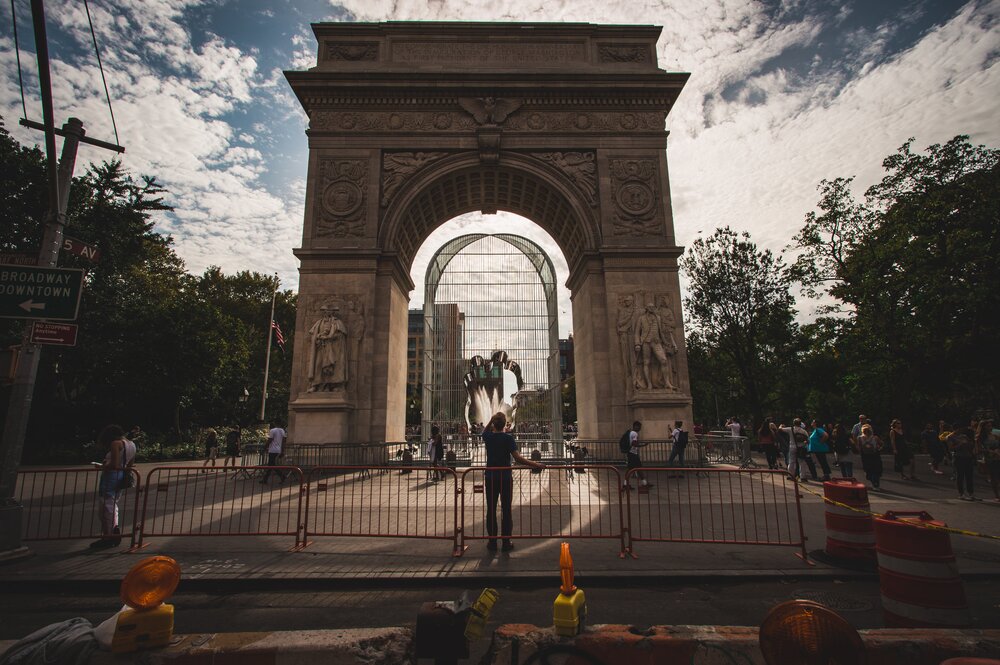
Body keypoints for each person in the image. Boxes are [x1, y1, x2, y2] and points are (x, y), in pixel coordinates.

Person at [481, 412, 543, 552]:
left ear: (493, 424)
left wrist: (490, 419)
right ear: (504, 424)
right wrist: (535, 464)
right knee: (506, 510)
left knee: (491, 509)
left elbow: (483, 432)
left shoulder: (488, 437)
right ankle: (506, 542)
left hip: (490, 478)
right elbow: (518, 458)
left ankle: (492, 542)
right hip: (505, 478)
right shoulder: (508, 439)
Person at [91, 424, 133, 549]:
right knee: (112, 504)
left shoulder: (116, 444)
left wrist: (102, 466)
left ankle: (108, 536)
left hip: (111, 477)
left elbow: (114, 464)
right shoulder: (132, 445)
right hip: (121, 476)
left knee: (106, 506)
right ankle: (113, 530)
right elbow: (129, 464)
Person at [307, 305, 349, 392]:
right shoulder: (319, 323)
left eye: (330, 310)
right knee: (318, 365)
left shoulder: (337, 322)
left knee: (334, 368)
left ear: (333, 312)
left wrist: (330, 337)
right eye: (325, 310)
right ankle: (316, 385)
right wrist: (318, 338)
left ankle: (334, 385)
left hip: (334, 350)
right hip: (321, 348)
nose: (327, 312)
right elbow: (313, 335)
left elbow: (341, 335)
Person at [947, 422, 979, 500]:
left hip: (968, 457)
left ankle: (971, 493)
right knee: (960, 476)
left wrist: (971, 443)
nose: (959, 431)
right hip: (958, 457)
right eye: (958, 429)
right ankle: (961, 493)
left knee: (969, 476)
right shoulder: (951, 437)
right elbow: (951, 448)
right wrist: (960, 444)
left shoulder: (964, 436)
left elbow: (971, 444)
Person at [622, 420, 653, 490]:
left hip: (631, 453)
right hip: (633, 454)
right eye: (639, 427)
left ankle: (644, 483)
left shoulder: (630, 432)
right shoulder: (635, 434)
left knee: (636, 469)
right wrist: (643, 445)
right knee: (633, 469)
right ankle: (626, 484)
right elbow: (634, 444)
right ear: (636, 426)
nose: (640, 429)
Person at [978, 421, 1000, 502]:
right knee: (994, 478)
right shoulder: (981, 437)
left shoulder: (995, 436)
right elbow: (979, 449)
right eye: (988, 426)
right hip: (990, 459)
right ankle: (997, 495)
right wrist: (989, 451)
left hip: (998, 457)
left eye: (991, 426)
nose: (990, 428)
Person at [857, 423, 884, 490]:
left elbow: (859, 447)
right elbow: (882, 444)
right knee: (874, 470)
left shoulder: (860, 438)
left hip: (866, 456)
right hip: (874, 455)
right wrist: (879, 449)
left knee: (870, 470)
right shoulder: (875, 438)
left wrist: (861, 453)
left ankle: (874, 483)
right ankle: (875, 484)